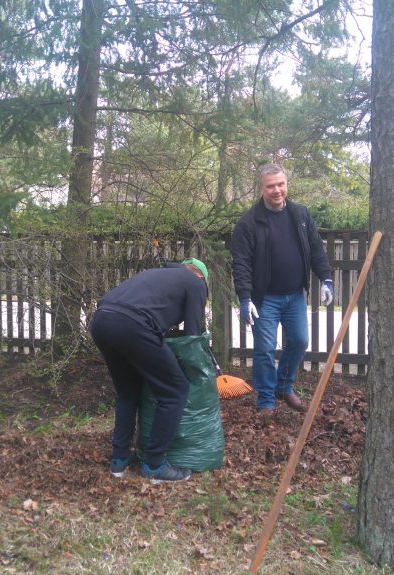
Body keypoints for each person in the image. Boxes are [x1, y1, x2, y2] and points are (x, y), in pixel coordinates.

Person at [89, 258, 209, 483]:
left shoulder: (160, 275)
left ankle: (119, 460)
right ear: (200, 276)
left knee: (128, 392)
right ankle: (154, 465)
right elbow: (192, 338)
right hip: (132, 325)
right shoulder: (196, 283)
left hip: (101, 321)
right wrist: (199, 373)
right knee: (175, 389)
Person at [231, 164, 334, 419]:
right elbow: (241, 263)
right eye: (270, 186)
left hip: (294, 296)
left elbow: (316, 250)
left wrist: (327, 279)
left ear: (286, 184)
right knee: (264, 348)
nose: (276, 190)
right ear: (262, 188)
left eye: (280, 184)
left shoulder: (300, 215)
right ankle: (266, 400)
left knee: (299, 341)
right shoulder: (249, 222)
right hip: (264, 299)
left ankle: (284, 387)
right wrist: (245, 298)